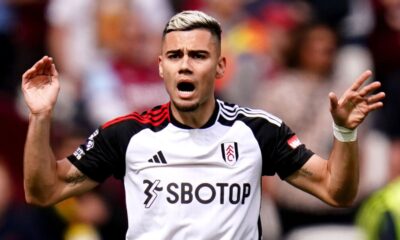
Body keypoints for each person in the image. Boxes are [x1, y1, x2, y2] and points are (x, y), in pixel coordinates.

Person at [21, 10, 384, 239]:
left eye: (198, 55)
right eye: (175, 56)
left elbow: (337, 191)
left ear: (221, 67)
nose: (185, 65)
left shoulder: (258, 131)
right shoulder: (127, 134)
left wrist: (345, 133)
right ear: (161, 67)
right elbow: (43, 191)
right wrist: (40, 117)